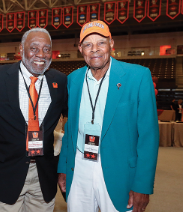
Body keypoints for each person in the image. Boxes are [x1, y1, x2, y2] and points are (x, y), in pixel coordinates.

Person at [57, 20, 159, 212]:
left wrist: (142, 185)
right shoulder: (73, 79)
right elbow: (70, 130)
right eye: (88, 44)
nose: (95, 49)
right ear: (80, 49)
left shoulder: (138, 76)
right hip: (79, 168)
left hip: (119, 171)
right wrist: (63, 168)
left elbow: (148, 137)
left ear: (111, 43)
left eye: (101, 43)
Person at [0, 27, 68, 212]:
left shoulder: (59, 81)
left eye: (46, 49)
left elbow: (72, 120)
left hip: (43, 176)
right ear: (21, 49)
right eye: (34, 48)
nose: (41, 54)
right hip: (4, 175)